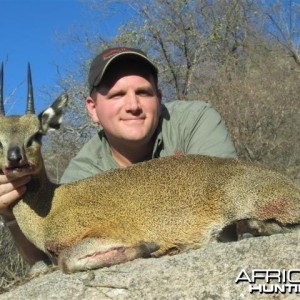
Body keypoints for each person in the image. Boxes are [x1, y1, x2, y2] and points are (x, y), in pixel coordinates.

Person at [0, 47, 237, 265]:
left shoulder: (194, 121)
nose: (133, 105)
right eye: (117, 95)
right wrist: (11, 215)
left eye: (143, 92)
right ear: (92, 109)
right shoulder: (81, 176)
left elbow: (229, 189)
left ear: (159, 97)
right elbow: (52, 255)